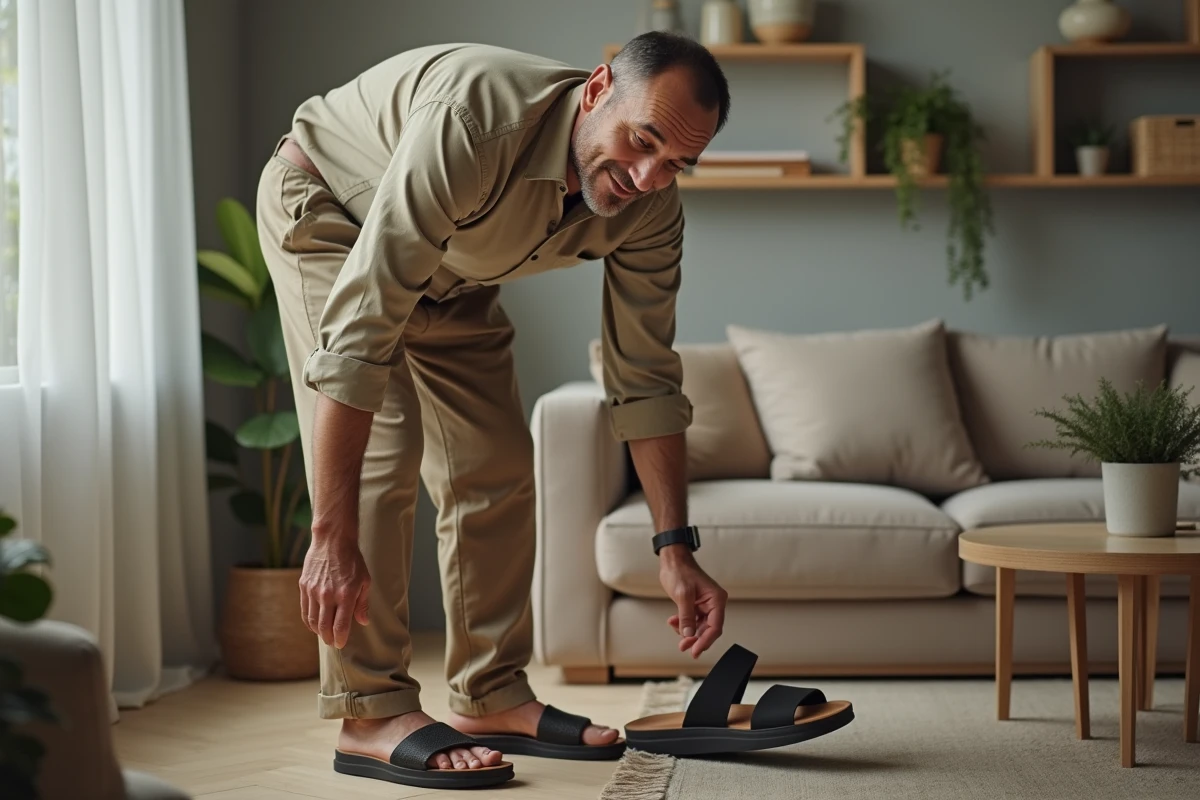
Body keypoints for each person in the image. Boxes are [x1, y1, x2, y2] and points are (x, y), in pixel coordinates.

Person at [254, 31, 732, 789]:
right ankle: (369, 710)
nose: (647, 177)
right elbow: (358, 342)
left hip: (451, 267)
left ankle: (491, 694)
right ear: (598, 89)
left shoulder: (650, 209)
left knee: (497, 461)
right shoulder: (475, 121)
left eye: (676, 163)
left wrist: (674, 548)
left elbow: (645, 379)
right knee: (386, 445)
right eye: (643, 141)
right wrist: (328, 536)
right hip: (331, 212)